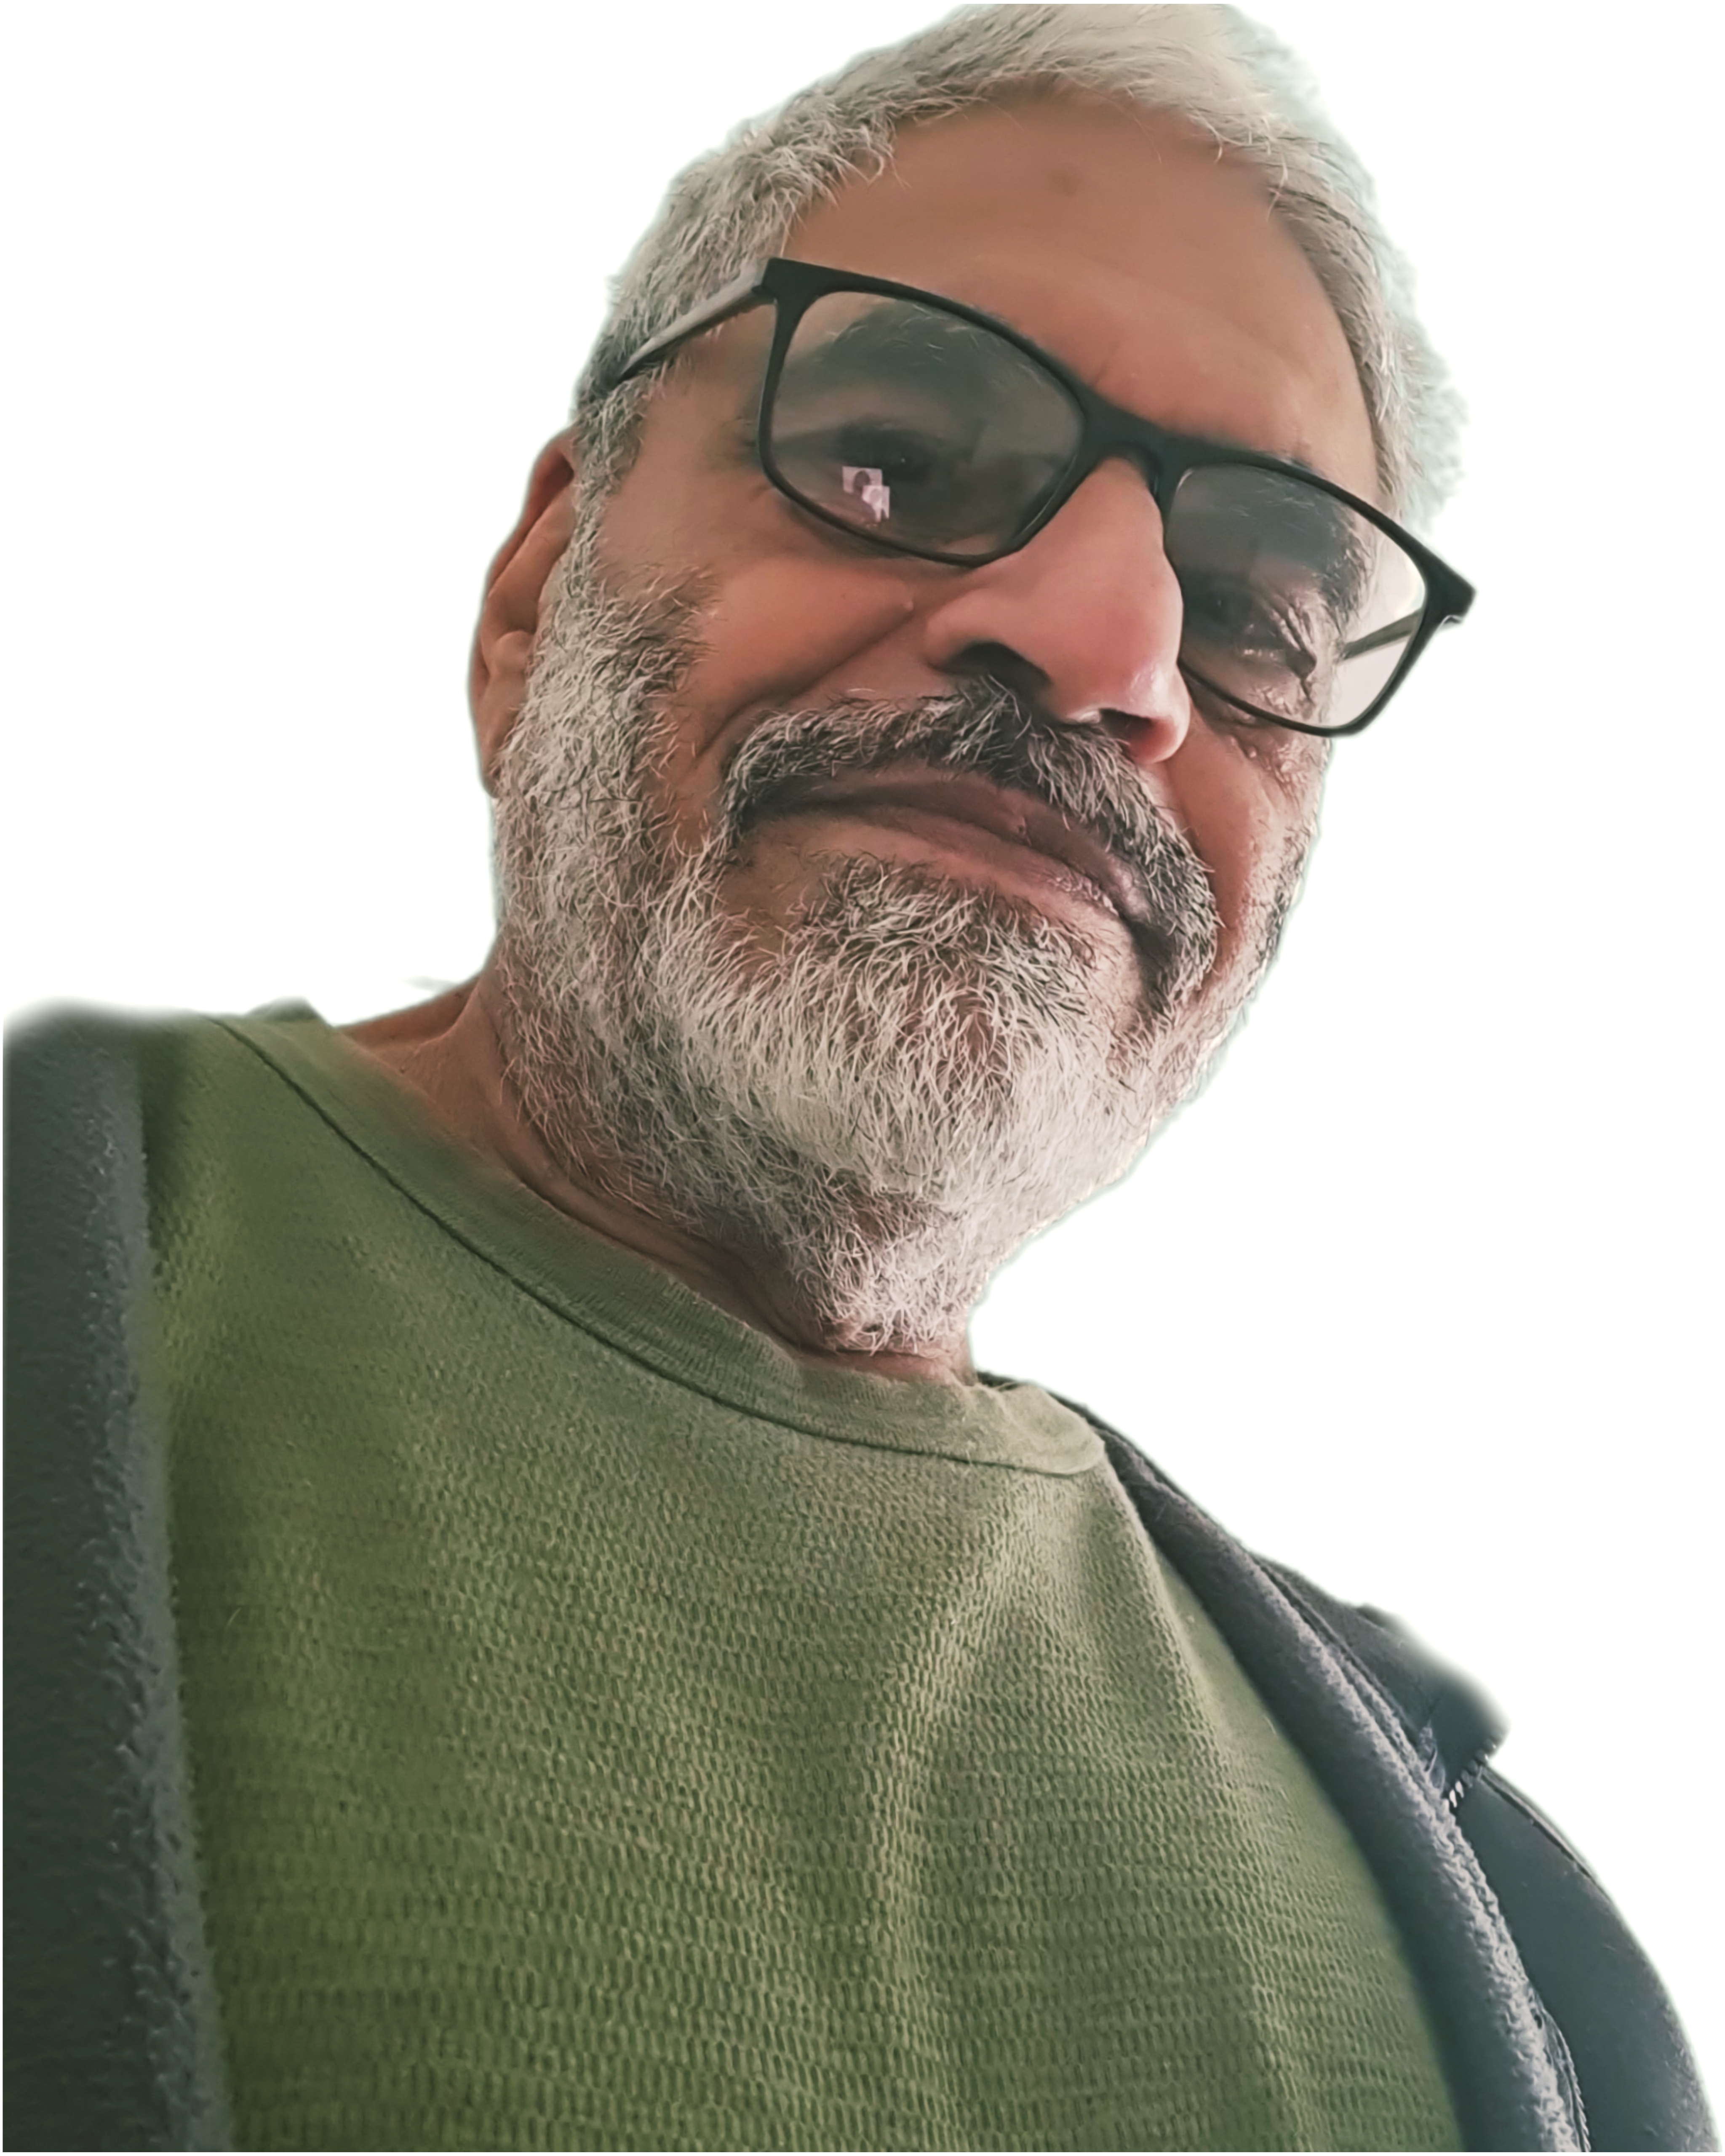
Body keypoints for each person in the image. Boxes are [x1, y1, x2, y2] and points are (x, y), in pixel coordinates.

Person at [5, 6, 1714, 2151]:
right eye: (894, 456)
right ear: (538, 592)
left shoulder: (1503, 1914)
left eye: (1254, 606)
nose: (1106, 648)